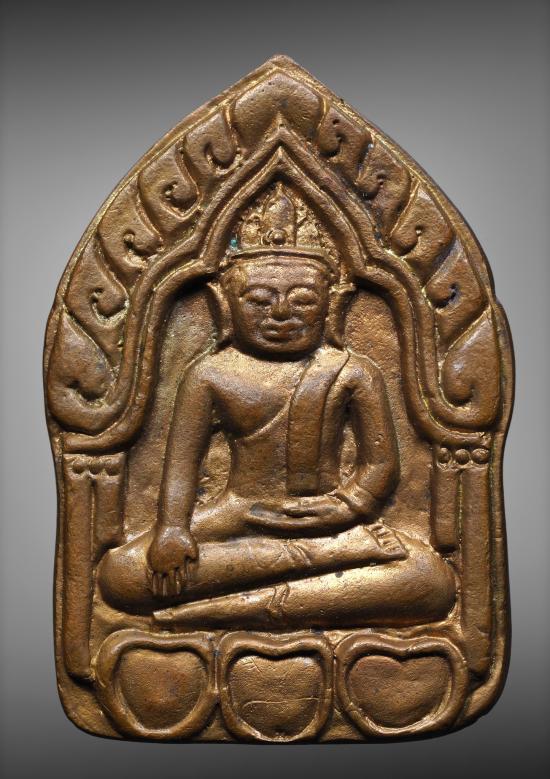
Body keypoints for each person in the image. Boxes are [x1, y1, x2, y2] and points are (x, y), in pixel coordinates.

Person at [98, 184, 455, 628]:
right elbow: (182, 465)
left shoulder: (352, 371)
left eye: (303, 300)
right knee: (120, 575)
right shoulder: (210, 373)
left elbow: (380, 465)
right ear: (225, 306)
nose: (282, 313)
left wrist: (348, 506)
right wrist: (172, 529)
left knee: (431, 579)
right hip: (239, 515)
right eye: (259, 301)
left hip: (331, 520)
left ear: (331, 306)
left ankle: (222, 606)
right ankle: (323, 564)